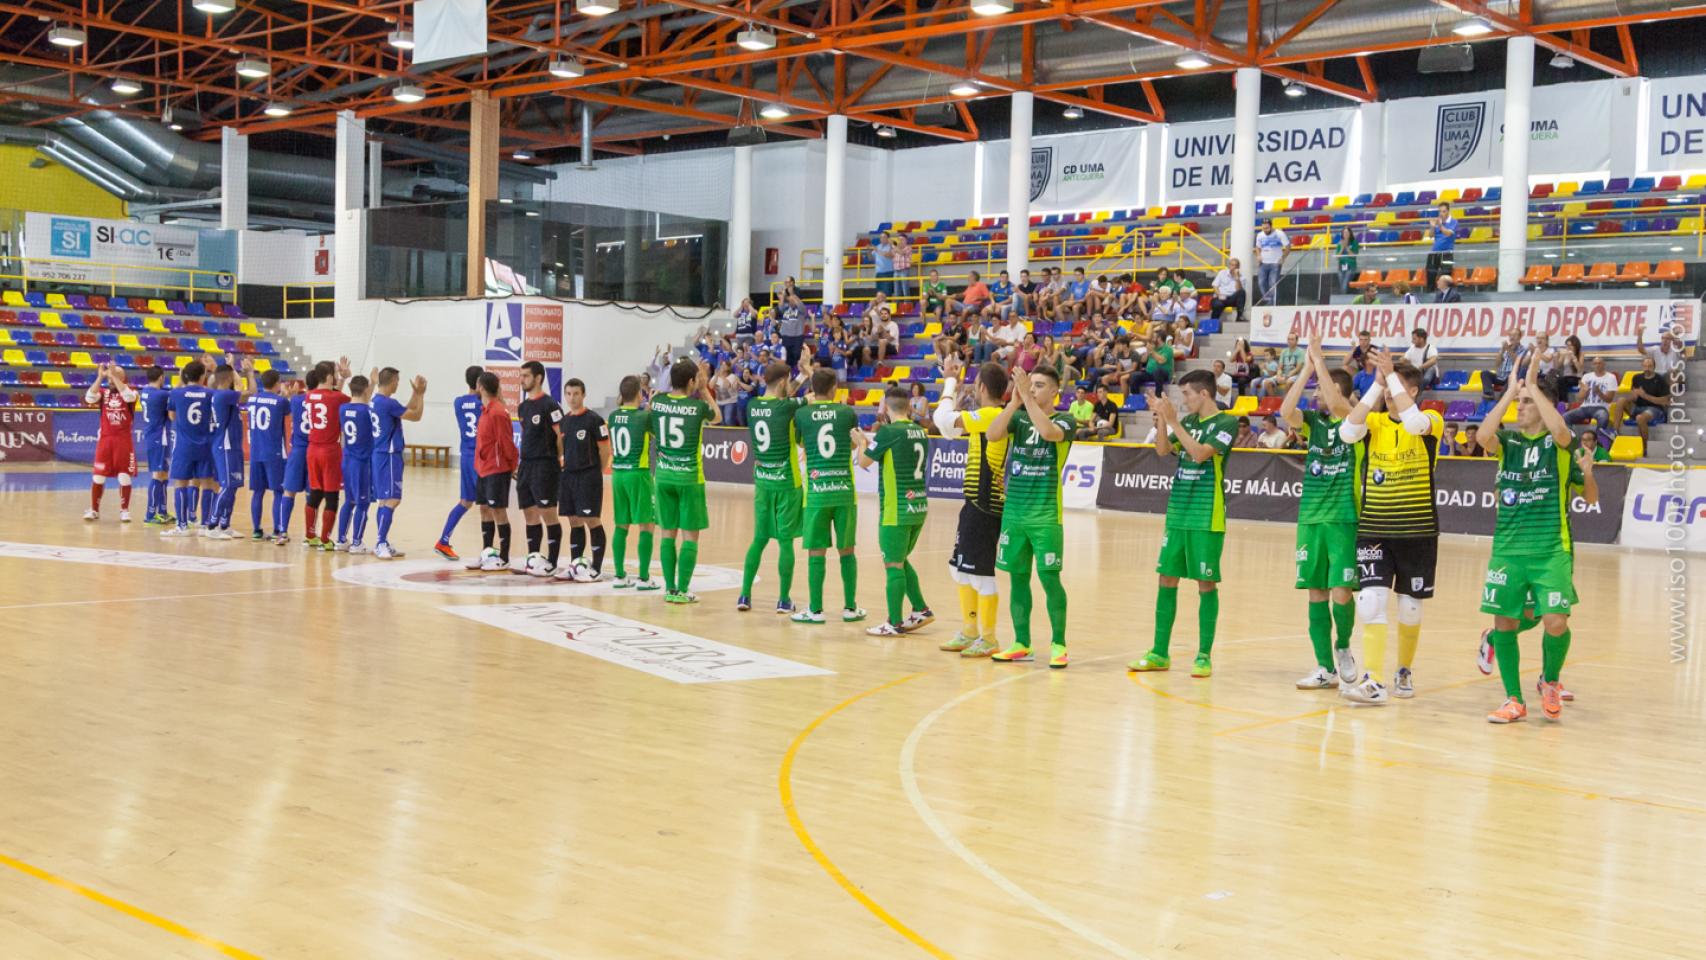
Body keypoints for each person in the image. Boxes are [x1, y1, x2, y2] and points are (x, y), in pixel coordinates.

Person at [1474, 353, 1597, 723]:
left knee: (1555, 621)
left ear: (1544, 407)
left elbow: (1562, 434)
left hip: (1550, 550)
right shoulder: (1509, 443)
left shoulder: (1560, 445)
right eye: (1520, 403)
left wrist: (1533, 385)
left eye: (1528, 403)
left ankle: (1551, 681)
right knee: (1507, 622)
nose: (1521, 408)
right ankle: (1514, 699)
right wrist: (1512, 391)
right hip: (1509, 550)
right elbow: (1482, 436)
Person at [1337, 352, 1445, 705]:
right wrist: (1377, 385)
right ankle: (1375, 681)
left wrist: (1392, 377)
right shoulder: (1377, 424)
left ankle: (1403, 670)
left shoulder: (1432, 419)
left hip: (1417, 529)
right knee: (1370, 601)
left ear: (1413, 390)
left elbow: (1414, 425)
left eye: (1395, 386)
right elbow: (1347, 431)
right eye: (1386, 387)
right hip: (1375, 527)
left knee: (1410, 608)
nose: (1387, 393)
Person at [1130, 370, 1237, 677]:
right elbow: (1163, 450)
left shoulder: (1226, 422)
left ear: (1204, 394)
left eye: (1188, 394)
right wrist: (1162, 419)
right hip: (1177, 513)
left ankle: (1203, 655)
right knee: (1166, 578)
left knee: (1206, 582)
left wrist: (1173, 420)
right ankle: (1159, 652)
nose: (1184, 400)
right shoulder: (1187, 422)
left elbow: (1201, 454)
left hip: (1206, 516)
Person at [1279, 341, 1360, 689]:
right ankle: (1324, 667)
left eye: (1320, 390)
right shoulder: (1313, 423)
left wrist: (1323, 365)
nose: (1315, 396)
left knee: (1342, 592)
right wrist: (1309, 369)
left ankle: (1343, 647)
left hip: (1342, 519)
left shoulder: (1355, 422)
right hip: (1311, 519)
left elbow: (1341, 406)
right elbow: (1286, 411)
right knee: (1315, 593)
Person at [987, 365, 1075, 668]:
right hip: (1015, 514)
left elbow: (1049, 433)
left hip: (1046, 516)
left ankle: (1059, 644)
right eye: (1030, 384)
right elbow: (992, 434)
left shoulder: (1065, 419)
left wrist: (1027, 397)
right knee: (1017, 579)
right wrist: (1014, 402)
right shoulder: (1020, 418)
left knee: (1050, 579)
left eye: (1039, 385)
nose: (1033, 389)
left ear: (1054, 391)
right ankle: (1021, 642)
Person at [932, 357, 1010, 658]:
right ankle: (969, 630)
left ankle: (989, 637)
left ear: (981, 386)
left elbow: (944, 422)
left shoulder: (991, 414)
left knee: (982, 575)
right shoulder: (988, 415)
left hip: (986, 505)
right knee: (961, 570)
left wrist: (950, 382)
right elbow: (949, 429)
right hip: (973, 504)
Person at [789, 368, 866, 623]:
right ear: (834, 388)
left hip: (817, 493)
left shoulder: (802, 414)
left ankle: (815, 610)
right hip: (844, 492)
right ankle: (850, 608)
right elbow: (855, 444)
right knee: (848, 550)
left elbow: (801, 444)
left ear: (812, 388)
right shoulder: (846, 412)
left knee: (816, 552)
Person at [859, 387, 935, 637]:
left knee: (893, 564)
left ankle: (894, 622)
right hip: (919, 506)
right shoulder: (920, 432)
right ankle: (921, 609)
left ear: (886, 407)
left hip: (896, 510)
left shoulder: (889, 431)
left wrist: (861, 442)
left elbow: (864, 462)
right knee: (901, 560)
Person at [738, 358, 811, 612]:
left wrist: (798, 378)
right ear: (782, 381)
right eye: (788, 381)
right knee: (785, 542)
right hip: (787, 483)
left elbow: (782, 401)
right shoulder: (786, 407)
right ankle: (783, 600)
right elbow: (812, 398)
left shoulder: (752, 405)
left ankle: (744, 595)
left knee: (758, 539)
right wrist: (807, 374)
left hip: (762, 482)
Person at [651, 359, 721, 602]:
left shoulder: (657, 402)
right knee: (690, 536)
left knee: (667, 534)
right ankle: (682, 590)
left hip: (663, 476)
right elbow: (717, 417)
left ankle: (669, 588)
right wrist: (703, 390)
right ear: (692, 381)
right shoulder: (698, 407)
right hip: (689, 477)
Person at [605, 375, 660, 590]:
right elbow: (656, 434)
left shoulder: (613, 415)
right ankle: (644, 578)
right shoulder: (644, 417)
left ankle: (619, 576)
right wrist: (652, 409)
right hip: (639, 473)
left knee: (621, 524)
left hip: (618, 473)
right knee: (647, 524)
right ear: (640, 393)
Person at [512, 362, 564, 577]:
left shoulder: (550, 405)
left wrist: (559, 458)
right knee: (529, 514)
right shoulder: (523, 407)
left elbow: (561, 435)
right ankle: (534, 559)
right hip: (526, 465)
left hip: (545, 465)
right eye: (521, 375)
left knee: (548, 513)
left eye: (526, 376)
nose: (521, 379)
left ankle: (551, 562)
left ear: (538, 378)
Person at [557, 377, 612, 580]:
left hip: (588, 477)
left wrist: (596, 472)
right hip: (568, 476)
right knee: (574, 520)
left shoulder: (594, 420)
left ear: (583, 394)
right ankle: (576, 565)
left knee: (591, 519)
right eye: (569, 394)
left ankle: (596, 568)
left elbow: (605, 450)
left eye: (576, 394)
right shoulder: (565, 421)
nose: (572, 398)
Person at [367, 367, 425, 559]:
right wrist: (422, 395)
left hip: (378, 454)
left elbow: (405, 410)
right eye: (397, 380)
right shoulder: (387, 403)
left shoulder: (376, 401)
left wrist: (415, 394)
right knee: (393, 499)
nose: (398, 383)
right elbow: (416, 416)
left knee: (384, 500)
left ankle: (381, 541)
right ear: (391, 381)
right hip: (389, 455)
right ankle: (380, 542)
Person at [161, 360, 217, 538]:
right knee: (207, 483)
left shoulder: (176, 393)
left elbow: (171, 416)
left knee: (180, 483)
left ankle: (182, 525)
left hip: (184, 446)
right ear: (203, 376)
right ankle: (206, 524)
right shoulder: (210, 393)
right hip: (205, 445)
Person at [435, 366, 486, 561]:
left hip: (465, 455)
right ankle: (487, 549)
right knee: (487, 505)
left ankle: (443, 540)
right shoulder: (484, 403)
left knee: (466, 501)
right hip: (480, 457)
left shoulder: (458, 402)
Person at [470, 371, 518, 571]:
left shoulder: (498, 412)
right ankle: (487, 552)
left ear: (480, 387)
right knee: (484, 509)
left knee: (499, 511)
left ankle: (504, 557)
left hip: (497, 469)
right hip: (483, 469)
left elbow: (507, 443)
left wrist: (512, 465)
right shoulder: (486, 410)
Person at [301, 361, 350, 549]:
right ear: (329, 377)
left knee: (315, 492)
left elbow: (329, 394)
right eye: (335, 374)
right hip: (330, 451)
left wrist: (341, 378)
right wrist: (347, 377)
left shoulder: (309, 396)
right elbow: (357, 399)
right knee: (332, 496)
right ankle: (325, 539)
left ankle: (310, 534)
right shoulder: (338, 398)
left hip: (312, 449)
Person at [83, 362, 137, 523]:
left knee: (124, 476)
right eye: (110, 375)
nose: (111, 378)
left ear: (122, 377)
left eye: (115, 375)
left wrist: (114, 375)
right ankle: (94, 510)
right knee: (98, 476)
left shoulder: (131, 392)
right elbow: (89, 397)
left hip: (123, 441)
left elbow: (129, 396)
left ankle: (124, 511)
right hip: (105, 441)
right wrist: (100, 377)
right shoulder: (103, 393)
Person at [244, 369, 289, 541]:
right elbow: (290, 412)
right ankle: (278, 530)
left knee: (258, 492)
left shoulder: (252, 399)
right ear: (277, 383)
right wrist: (287, 396)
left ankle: (257, 530)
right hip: (274, 452)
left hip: (256, 452)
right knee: (278, 491)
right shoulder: (280, 401)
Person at [334, 375, 375, 553]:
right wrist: (373, 384)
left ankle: (341, 540)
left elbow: (361, 402)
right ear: (366, 389)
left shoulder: (343, 408)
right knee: (363, 503)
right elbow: (366, 407)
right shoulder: (368, 411)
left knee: (349, 501)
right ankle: (357, 543)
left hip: (347, 459)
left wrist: (370, 384)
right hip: (362, 462)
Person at [278, 369, 318, 545]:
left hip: (297, 450)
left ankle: (282, 532)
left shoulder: (296, 400)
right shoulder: (321, 401)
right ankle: (310, 535)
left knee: (289, 491)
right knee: (312, 493)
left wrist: (289, 396)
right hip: (313, 450)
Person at [207, 362, 246, 538]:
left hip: (234, 446)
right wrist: (248, 373)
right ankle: (212, 525)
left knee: (233, 486)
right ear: (229, 378)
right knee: (227, 485)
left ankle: (225, 524)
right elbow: (248, 390)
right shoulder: (224, 395)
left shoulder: (223, 395)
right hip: (225, 445)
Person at [1608, 354, 1670, 448]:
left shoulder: (1660, 379)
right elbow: (1634, 397)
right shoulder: (1637, 378)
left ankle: (1644, 447)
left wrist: (1645, 396)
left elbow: (1665, 401)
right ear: (1642, 366)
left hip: (1655, 409)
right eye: (1645, 366)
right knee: (1621, 400)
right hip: (1638, 407)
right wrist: (1633, 396)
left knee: (1640, 418)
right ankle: (1615, 432)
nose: (1647, 368)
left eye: (1650, 366)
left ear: (1654, 367)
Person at [137, 366, 173, 525]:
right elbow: (177, 395)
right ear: (161, 377)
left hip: (156, 436)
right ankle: (150, 514)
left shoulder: (145, 391)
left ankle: (163, 511)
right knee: (157, 474)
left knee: (164, 473)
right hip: (159, 436)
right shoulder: (161, 394)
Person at [1565, 356, 1617, 432]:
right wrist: (1585, 392)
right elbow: (1579, 399)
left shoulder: (1611, 377)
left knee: (1603, 417)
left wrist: (1599, 393)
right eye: (1595, 363)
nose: (1597, 365)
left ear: (1604, 364)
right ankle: (1570, 437)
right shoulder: (1586, 377)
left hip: (1601, 408)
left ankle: (1598, 440)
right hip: (1584, 407)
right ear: (1592, 365)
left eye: (1599, 363)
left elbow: (1609, 399)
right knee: (1565, 417)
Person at [1254, 219, 1289, 305]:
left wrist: (1283, 257)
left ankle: (1272, 302)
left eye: (1267, 228)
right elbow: (1258, 247)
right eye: (1263, 228)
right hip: (1263, 262)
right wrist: (1258, 255)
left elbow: (1288, 247)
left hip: (1275, 263)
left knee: (1272, 283)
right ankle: (1269, 299)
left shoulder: (1279, 234)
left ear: (1271, 226)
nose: (1265, 230)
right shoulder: (1260, 235)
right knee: (1261, 283)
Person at [1424, 201, 1459, 288]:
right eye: (1440, 211)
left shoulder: (1453, 222)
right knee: (1430, 274)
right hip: (1434, 252)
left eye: (1443, 211)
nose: (1441, 213)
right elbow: (1431, 235)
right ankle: (1430, 294)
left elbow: (1448, 233)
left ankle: (1445, 297)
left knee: (1445, 276)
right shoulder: (1437, 222)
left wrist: (1439, 225)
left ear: (1448, 211)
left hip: (1447, 253)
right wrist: (1432, 226)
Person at [1482, 330, 1525, 400]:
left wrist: (1508, 349)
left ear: (1520, 337)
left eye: (1514, 335)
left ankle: (1501, 399)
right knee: (1485, 373)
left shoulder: (1522, 349)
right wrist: (1502, 351)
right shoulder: (1505, 348)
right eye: (1510, 335)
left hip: (1511, 378)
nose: (1512, 337)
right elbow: (1497, 364)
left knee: (1510, 383)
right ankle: (1489, 394)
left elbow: (1517, 361)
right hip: (1500, 377)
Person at [1335, 226, 1360, 293]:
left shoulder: (1354, 242)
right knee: (1342, 285)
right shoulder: (1340, 243)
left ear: (1350, 233)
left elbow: (1354, 256)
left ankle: (1343, 299)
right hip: (1341, 267)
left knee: (1344, 285)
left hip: (1350, 267)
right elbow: (1337, 257)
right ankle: (1345, 298)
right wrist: (1342, 248)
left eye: (1347, 232)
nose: (1345, 234)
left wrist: (1346, 247)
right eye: (1344, 233)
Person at [873, 230, 895, 297]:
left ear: (888, 238)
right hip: (878, 273)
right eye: (881, 237)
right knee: (879, 294)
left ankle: (887, 306)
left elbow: (889, 255)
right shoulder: (878, 246)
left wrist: (877, 250)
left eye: (884, 237)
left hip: (888, 273)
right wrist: (868, 251)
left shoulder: (891, 246)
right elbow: (871, 258)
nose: (882, 239)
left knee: (887, 293)